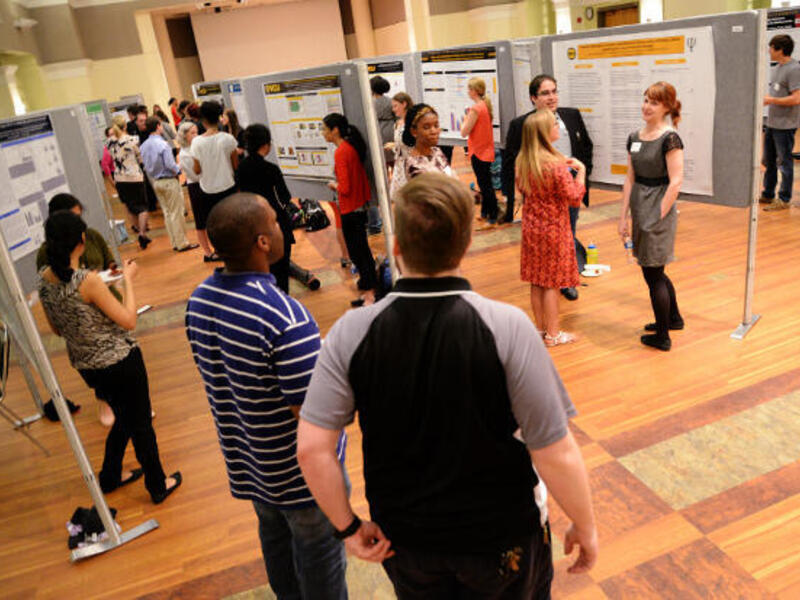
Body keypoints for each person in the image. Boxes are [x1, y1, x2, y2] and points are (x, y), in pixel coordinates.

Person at [296, 172, 598, 599]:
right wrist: (585, 525)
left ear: (396, 248)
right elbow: (553, 448)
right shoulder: (507, 326)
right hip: (502, 538)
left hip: (406, 540)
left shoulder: (352, 331)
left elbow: (312, 449)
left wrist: (347, 527)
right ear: (466, 243)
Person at [185, 193, 347, 599]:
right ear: (261, 242)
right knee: (320, 557)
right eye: (275, 221)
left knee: (275, 542)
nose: (282, 225)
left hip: (252, 463)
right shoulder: (284, 315)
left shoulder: (199, 300)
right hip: (301, 477)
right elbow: (311, 415)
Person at [39, 211, 181, 504]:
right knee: (139, 422)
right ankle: (157, 484)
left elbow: (56, 329)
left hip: (86, 365)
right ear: (80, 241)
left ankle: (110, 476)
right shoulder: (87, 281)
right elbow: (129, 320)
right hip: (119, 361)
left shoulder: (44, 280)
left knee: (125, 418)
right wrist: (127, 280)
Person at [503, 74, 593, 301]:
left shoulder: (571, 115)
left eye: (554, 91)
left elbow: (585, 145)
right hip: (541, 194)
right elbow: (511, 161)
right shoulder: (522, 124)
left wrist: (582, 172)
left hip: (570, 185)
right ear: (533, 98)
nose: (552, 97)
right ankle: (552, 280)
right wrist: (511, 197)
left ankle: (566, 280)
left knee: (569, 231)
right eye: (545, 93)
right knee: (546, 243)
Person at [619, 82, 685, 352]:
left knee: (653, 273)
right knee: (654, 268)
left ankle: (662, 336)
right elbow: (629, 178)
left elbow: (676, 181)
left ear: (666, 107)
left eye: (654, 102)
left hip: (658, 209)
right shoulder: (634, 137)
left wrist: (658, 215)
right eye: (646, 100)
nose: (646, 106)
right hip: (640, 206)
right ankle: (673, 318)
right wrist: (622, 217)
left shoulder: (670, 138)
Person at [517, 110, 586, 347]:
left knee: (537, 281)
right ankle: (554, 334)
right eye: (554, 124)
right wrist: (581, 172)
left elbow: (524, 191)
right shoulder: (555, 166)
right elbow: (574, 197)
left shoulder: (524, 162)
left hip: (531, 228)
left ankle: (539, 330)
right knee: (552, 283)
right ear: (545, 132)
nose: (558, 126)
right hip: (554, 228)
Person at [322, 113, 377, 306]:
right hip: (358, 206)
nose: (323, 133)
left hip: (350, 208)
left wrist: (333, 185)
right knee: (362, 249)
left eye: (325, 129)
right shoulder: (350, 148)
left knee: (357, 252)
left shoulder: (341, 152)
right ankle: (369, 285)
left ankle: (369, 291)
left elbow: (344, 188)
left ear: (335, 130)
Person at [236, 124, 295, 293]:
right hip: (274, 223)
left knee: (259, 270)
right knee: (281, 270)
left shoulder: (241, 168)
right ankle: (281, 300)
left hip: (251, 223)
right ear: (265, 145)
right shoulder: (271, 169)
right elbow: (284, 197)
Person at [140, 116, 198, 253]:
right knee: (177, 212)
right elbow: (170, 165)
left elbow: (145, 165)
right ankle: (182, 243)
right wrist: (179, 169)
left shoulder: (143, 146)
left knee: (167, 213)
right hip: (169, 181)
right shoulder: (163, 144)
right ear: (158, 126)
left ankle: (175, 242)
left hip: (156, 182)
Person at [191, 100, 238, 262]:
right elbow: (235, 165)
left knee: (214, 224)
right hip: (228, 186)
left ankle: (219, 251)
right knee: (232, 221)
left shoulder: (196, 142)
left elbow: (197, 170)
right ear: (218, 118)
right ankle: (235, 250)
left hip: (208, 189)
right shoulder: (228, 139)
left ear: (202, 120)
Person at [761, 34, 800, 211]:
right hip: (772, 123)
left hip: (785, 125)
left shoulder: (794, 69)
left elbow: (796, 98)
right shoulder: (776, 68)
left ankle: (784, 198)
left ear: (780, 49)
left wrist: (771, 100)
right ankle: (768, 194)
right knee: (768, 161)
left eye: (771, 48)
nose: (769, 51)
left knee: (784, 163)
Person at [107, 114, 151, 250]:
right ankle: (143, 233)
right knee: (143, 207)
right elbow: (140, 157)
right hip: (134, 177)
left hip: (119, 178)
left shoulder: (109, 142)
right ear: (125, 126)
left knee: (130, 207)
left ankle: (138, 232)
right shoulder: (133, 140)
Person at [460, 77, 497, 225]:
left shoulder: (475, 109)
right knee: (484, 184)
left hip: (479, 152)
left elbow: (464, 132)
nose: (468, 91)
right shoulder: (484, 105)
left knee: (485, 186)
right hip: (484, 151)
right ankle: (485, 212)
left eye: (469, 89)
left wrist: (465, 118)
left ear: (475, 91)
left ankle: (493, 215)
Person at [177, 121, 216, 261]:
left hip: (205, 184)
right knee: (201, 222)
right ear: (184, 136)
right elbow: (195, 175)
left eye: (196, 132)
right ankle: (207, 252)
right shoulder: (184, 154)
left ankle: (216, 249)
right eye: (192, 133)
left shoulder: (197, 147)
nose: (196, 135)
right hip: (196, 187)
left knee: (211, 219)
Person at [401, 104, 453, 181]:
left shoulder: (436, 151)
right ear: (414, 131)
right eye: (426, 127)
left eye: (436, 126)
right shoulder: (414, 164)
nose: (434, 131)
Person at [387, 92, 413, 197]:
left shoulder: (412, 123)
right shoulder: (397, 123)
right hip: (400, 164)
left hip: (411, 163)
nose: (393, 109)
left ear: (404, 104)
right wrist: (394, 146)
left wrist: (395, 145)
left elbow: (412, 144)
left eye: (395, 106)